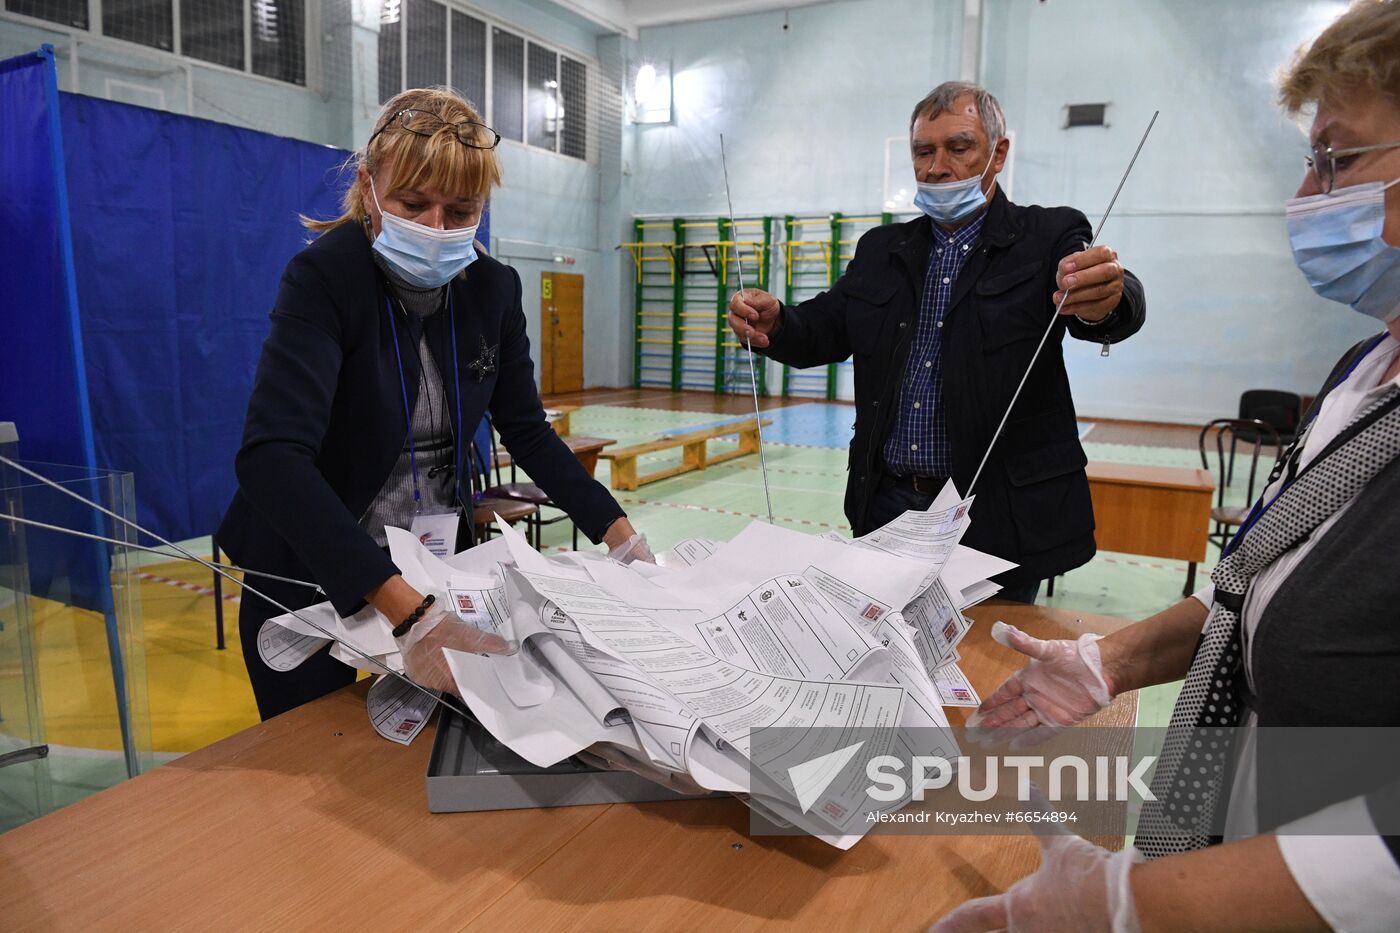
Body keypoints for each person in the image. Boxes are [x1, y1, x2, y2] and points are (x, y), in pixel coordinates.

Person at [935, 2, 1400, 929]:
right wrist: (1114, 657)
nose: (1309, 194)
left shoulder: (1042, 233)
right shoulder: (1366, 372)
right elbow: (1263, 577)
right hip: (1241, 835)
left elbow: (1110, 298)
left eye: (1337, 159)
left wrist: (1132, 905)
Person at [218, 87, 648, 720]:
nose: (436, 229)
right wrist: (407, 614)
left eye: (461, 210)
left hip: (436, 575)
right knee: (325, 770)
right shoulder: (324, 280)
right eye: (413, 205)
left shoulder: (493, 290)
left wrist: (623, 540)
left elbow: (527, 432)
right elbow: (272, 460)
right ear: (369, 189)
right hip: (314, 577)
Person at [727, 81, 1146, 604]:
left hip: (995, 512)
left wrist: (1107, 298)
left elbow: (1108, 300)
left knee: (986, 670)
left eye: (959, 147)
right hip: (887, 505)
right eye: (923, 152)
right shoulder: (883, 248)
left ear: (999, 153)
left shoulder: (1047, 236)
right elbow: (830, 327)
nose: (936, 167)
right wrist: (778, 322)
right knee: (885, 660)